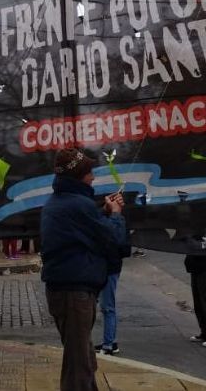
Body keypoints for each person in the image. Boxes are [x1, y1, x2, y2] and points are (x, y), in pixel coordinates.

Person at [41, 147, 126, 391]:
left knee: (84, 359)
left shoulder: (61, 202)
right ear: (78, 175)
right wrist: (116, 215)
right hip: (75, 294)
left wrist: (103, 212)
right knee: (78, 366)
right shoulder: (79, 204)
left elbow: (82, 231)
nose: (93, 177)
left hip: (65, 290)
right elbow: (114, 240)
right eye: (89, 172)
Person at [95, 227, 131, 355]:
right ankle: (110, 342)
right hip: (109, 266)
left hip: (108, 268)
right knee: (107, 306)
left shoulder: (115, 222)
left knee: (107, 306)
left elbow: (125, 248)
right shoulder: (118, 221)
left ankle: (108, 344)